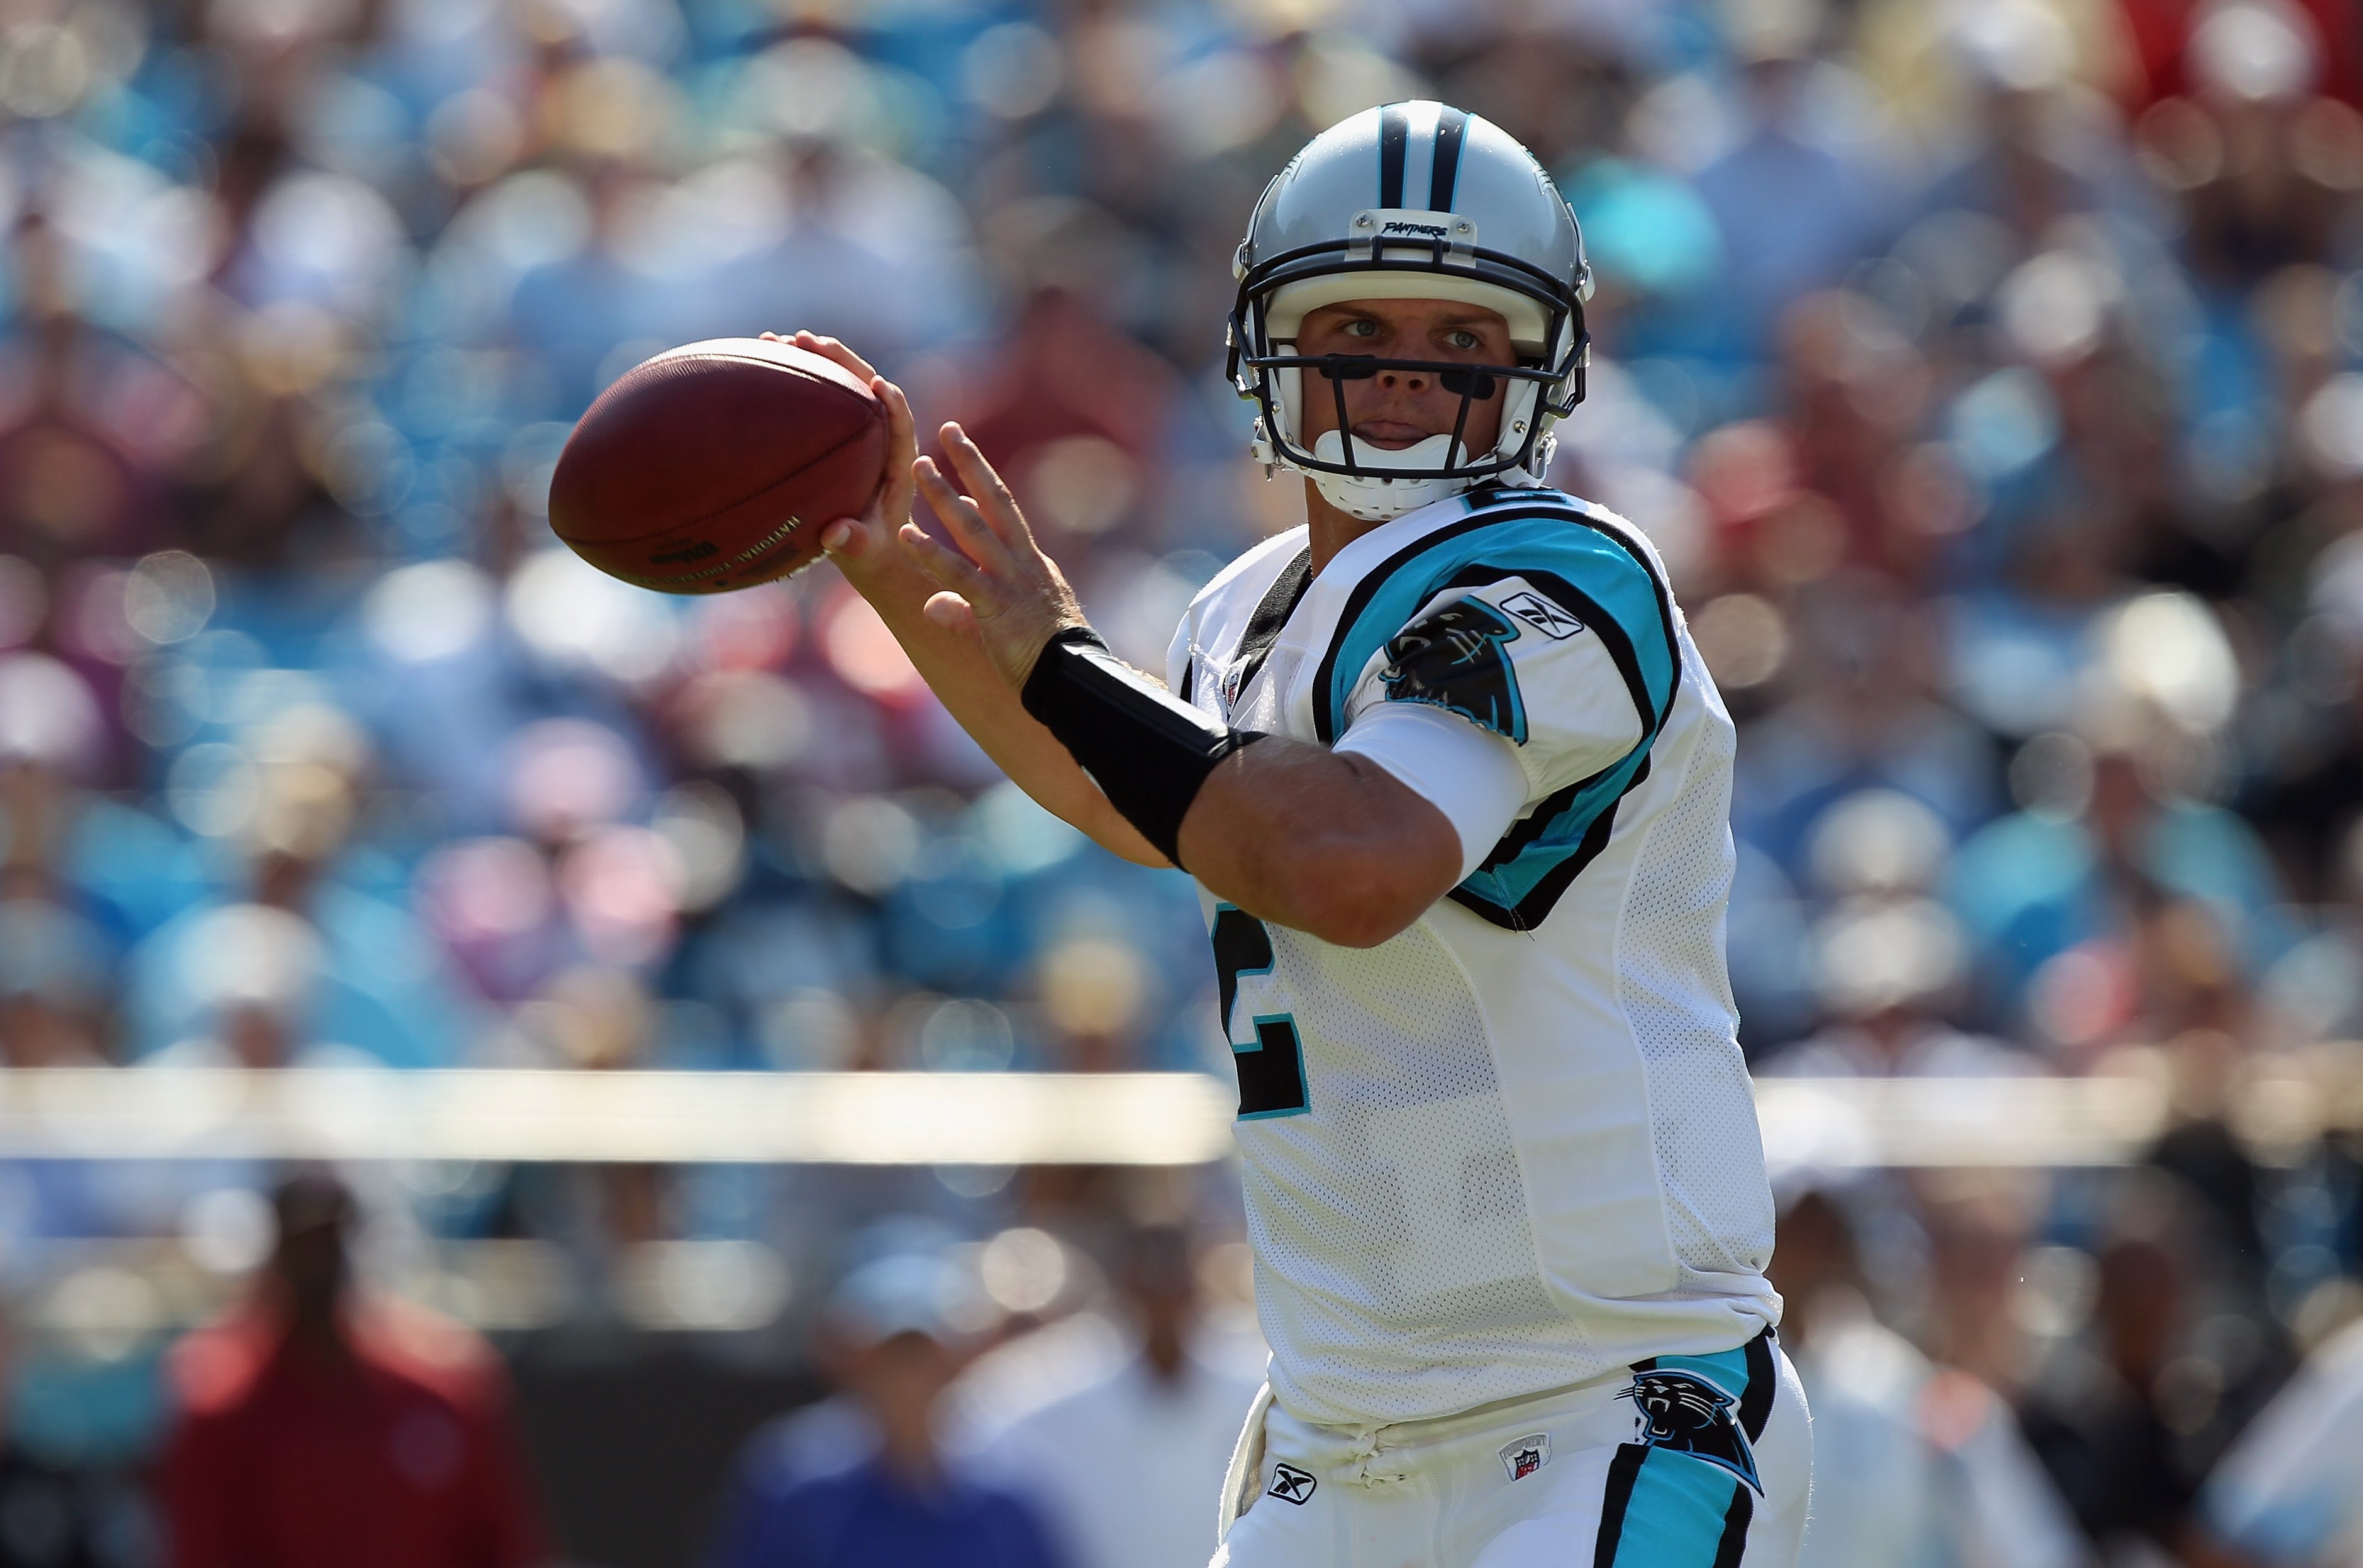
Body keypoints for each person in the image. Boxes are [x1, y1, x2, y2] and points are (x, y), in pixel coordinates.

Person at [792, 100, 1808, 1567]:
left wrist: (1061, 661)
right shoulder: (1241, 610)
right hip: (1335, 1447)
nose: (1402, 373)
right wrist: (925, 606)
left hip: (1603, 1407)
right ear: (1268, 338)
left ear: (1542, 367)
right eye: (1359, 325)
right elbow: (1137, 805)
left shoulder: (1563, 577)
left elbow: (1347, 865)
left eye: (1459, 341)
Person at [160, 1171, 548, 1568]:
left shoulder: (445, 1387)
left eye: (332, 1241)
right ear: (276, 1253)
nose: (320, 1263)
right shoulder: (224, 1401)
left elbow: (502, 1546)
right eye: (304, 1245)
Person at [706, 1249, 1069, 1568]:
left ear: (954, 1362)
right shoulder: (795, 1482)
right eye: (893, 1358)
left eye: (924, 1357)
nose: (910, 1379)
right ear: (853, 1362)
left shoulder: (1006, 1501)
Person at [959, 1226, 1265, 1568]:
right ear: (1125, 1287)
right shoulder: (1059, 1382)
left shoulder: (1256, 1383)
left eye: (1173, 1279)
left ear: (1196, 1287)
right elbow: (969, 1433)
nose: (1162, 1299)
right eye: (1150, 1283)